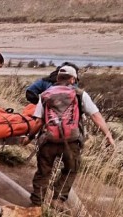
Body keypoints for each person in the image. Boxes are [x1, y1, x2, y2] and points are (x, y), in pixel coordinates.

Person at [22, 65, 115, 208]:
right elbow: (95, 115)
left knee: (43, 172)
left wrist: (29, 137)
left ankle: (36, 204)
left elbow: (39, 121)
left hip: (48, 140)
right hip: (71, 141)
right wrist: (108, 135)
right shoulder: (80, 94)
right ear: (72, 79)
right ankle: (58, 199)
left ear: (58, 78)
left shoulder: (45, 95)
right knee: (71, 169)